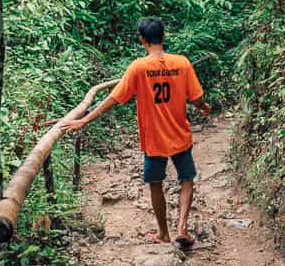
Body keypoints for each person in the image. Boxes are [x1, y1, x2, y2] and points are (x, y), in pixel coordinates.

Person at [59, 17, 212, 248]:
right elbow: (197, 98)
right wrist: (204, 107)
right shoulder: (182, 63)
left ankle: (164, 233)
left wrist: (85, 120)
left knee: (155, 183)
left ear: (143, 40)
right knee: (187, 179)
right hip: (179, 134)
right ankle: (182, 228)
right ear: (163, 37)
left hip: (154, 139)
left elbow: (114, 98)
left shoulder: (138, 67)